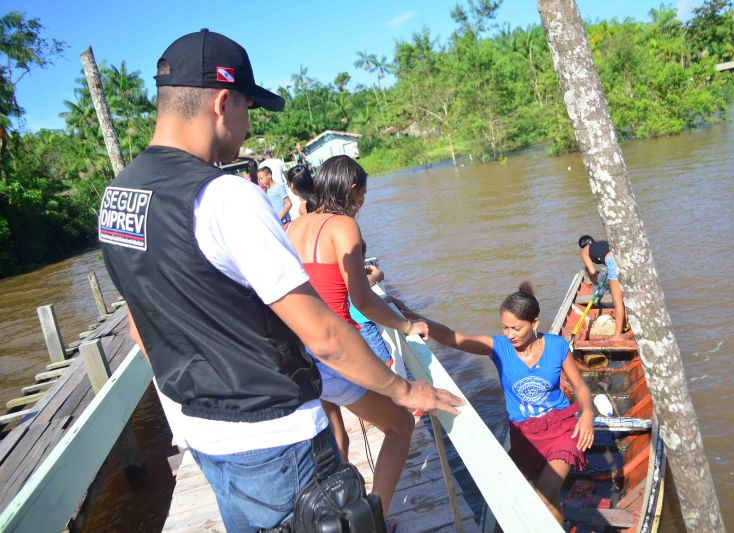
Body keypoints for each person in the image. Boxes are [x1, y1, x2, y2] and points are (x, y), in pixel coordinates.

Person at [97, 29, 462, 532]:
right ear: (223, 102)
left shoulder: (116, 200)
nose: (248, 128)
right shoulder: (225, 196)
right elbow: (325, 335)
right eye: (249, 107)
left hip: (202, 433)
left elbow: (141, 331)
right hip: (278, 440)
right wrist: (403, 390)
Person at [285, 155, 423, 515]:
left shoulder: (292, 228)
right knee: (400, 424)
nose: (362, 203)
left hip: (295, 353)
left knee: (334, 439)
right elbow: (362, 300)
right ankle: (373, 520)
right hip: (333, 350)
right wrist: (407, 325)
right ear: (352, 190)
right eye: (363, 194)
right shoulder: (344, 226)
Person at [400, 283, 594, 525]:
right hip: (524, 434)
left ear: (534, 323)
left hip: (561, 428)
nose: (510, 334)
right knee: (533, 499)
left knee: (544, 498)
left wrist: (587, 415)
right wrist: (416, 319)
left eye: (516, 328)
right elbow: (454, 338)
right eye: (505, 327)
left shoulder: (556, 346)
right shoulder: (499, 348)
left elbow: (580, 386)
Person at [578, 235, 626, 340]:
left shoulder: (584, 251)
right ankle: (624, 324)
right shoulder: (602, 244)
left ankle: (617, 336)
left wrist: (594, 281)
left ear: (583, 246)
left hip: (612, 261)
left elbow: (592, 272)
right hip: (623, 256)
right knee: (625, 296)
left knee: (617, 302)